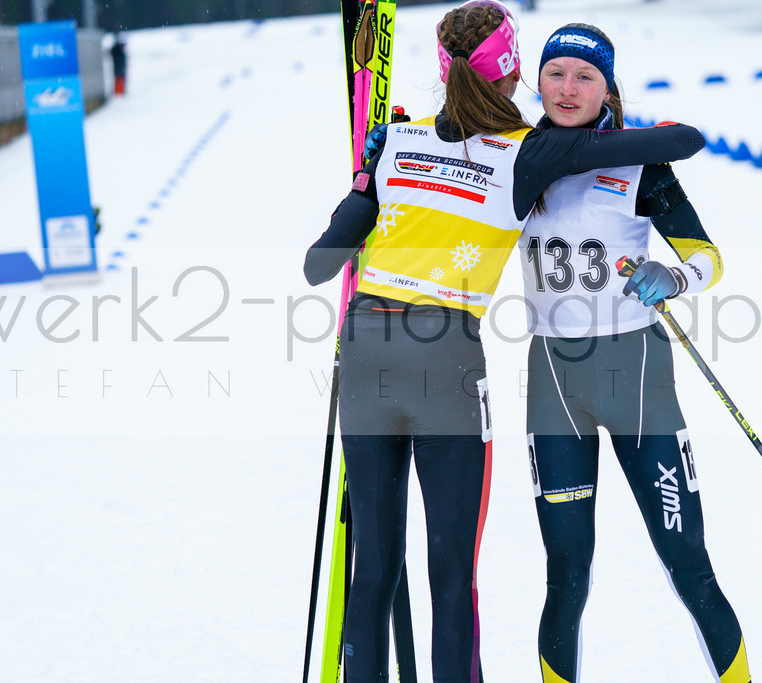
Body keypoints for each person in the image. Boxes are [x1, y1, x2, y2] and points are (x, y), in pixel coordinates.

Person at [302, 2, 705, 680]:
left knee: (371, 570)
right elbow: (680, 142)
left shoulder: (396, 141)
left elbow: (321, 264)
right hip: (446, 359)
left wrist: (369, 180)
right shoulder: (529, 151)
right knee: (450, 576)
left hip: (366, 346)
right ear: (515, 72)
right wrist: (654, 132)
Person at [520, 24, 751, 683]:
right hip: (554, 386)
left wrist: (674, 277)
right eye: (556, 73)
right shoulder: (517, 161)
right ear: (539, 80)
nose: (568, 88)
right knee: (566, 574)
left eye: (585, 76)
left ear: (607, 88)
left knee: (689, 564)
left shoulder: (639, 163)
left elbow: (706, 256)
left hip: (639, 379)